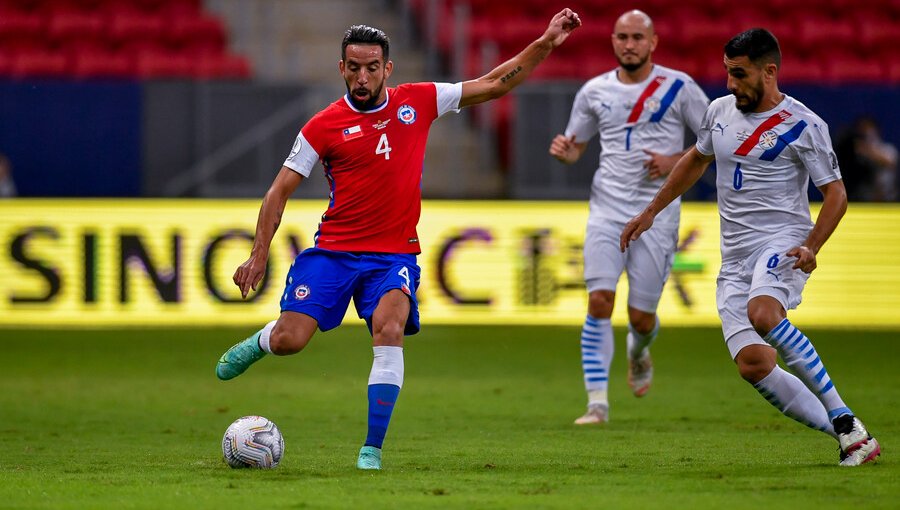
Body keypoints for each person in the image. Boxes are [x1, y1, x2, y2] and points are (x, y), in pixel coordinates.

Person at [214, 9, 582, 470]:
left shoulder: (420, 100)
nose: (362, 76)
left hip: (393, 256)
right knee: (292, 340)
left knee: (389, 327)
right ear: (341, 68)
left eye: (372, 67)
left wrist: (546, 40)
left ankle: (372, 448)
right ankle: (261, 342)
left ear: (388, 68)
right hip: (333, 252)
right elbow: (278, 192)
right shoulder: (322, 126)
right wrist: (257, 255)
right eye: (354, 67)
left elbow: (494, 84)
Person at [620, 28, 880, 466]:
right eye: (727, 72)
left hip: (783, 244)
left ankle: (841, 416)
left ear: (769, 72)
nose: (729, 84)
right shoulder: (720, 111)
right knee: (754, 365)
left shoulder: (804, 124)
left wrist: (812, 245)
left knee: (763, 314)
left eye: (739, 75)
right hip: (736, 258)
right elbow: (696, 160)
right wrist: (651, 211)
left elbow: (836, 194)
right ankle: (852, 435)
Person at [548, 10, 709, 425]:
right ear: (613, 41)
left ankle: (638, 351)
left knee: (641, 317)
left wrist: (675, 159)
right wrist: (568, 153)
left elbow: (714, 142)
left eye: (638, 37)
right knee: (599, 300)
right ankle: (597, 403)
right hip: (607, 207)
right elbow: (577, 145)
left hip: (658, 211)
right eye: (622, 36)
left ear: (653, 42)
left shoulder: (680, 88)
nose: (629, 44)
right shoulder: (594, 92)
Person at [836, 116, 898, 202]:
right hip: (865, 199)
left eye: (869, 130)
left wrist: (867, 150)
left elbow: (889, 162)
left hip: (888, 198)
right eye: (863, 130)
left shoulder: (887, 148)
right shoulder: (856, 155)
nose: (866, 133)